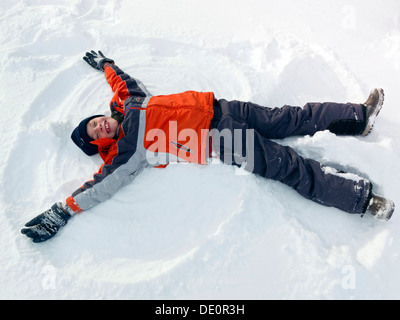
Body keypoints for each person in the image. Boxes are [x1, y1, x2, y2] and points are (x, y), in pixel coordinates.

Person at [21, 50, 395, 243]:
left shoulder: (130, 102)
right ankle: (360, 199)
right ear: (101, 145)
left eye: (94, 123)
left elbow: (121, 82)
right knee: (287, 166)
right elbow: (102, 186)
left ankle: (358, 117)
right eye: (96, 136)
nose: (100, 127)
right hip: (220, 140)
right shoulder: (127, 151)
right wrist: (62, 210)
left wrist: (105, 63)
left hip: (222, 107)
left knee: (291, 117)